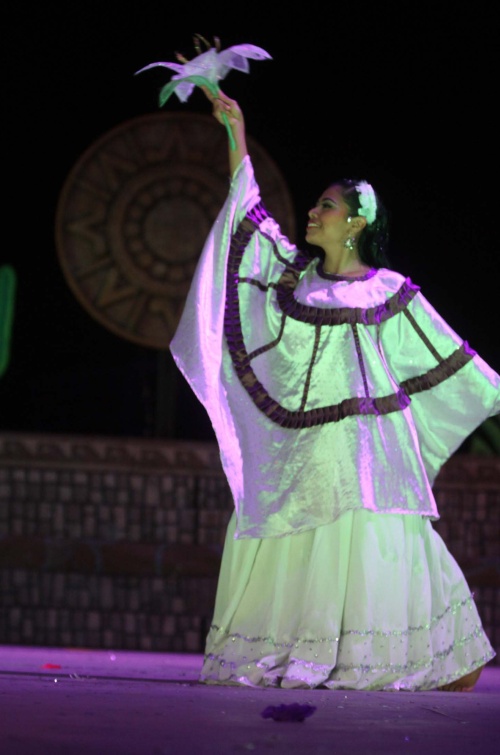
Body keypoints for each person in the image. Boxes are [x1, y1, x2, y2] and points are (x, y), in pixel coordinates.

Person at [169, 89, 499, 691]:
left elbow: (459, 366)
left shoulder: (389, 293)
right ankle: (303, 647)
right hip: (305, 455)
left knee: (382, 549)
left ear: (356, 222)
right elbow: (249, 220)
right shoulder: (293, 282)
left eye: (326, 206)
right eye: (316, 205)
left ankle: (402, 653)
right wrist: (235, 134)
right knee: (291, 535)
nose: (313, 214)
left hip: (371, 457)